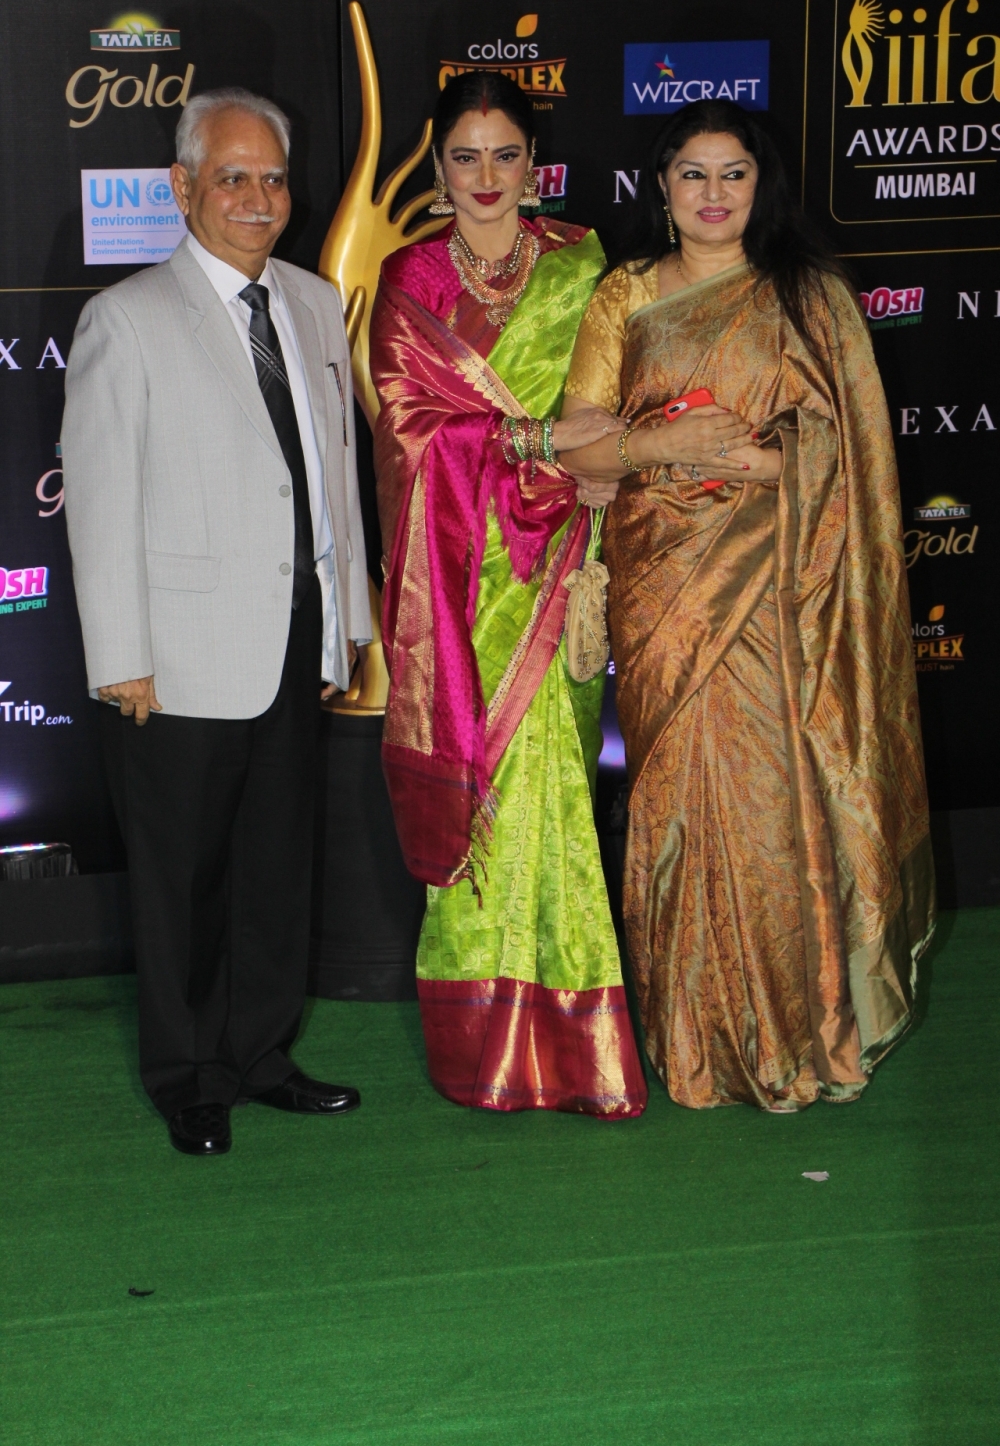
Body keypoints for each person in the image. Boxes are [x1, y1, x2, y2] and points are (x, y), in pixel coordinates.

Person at [562, 100, 934, 1111]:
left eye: (733, 174)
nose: (714, 194)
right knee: (676, 797)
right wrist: (663, 451)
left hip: (779, 586)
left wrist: (765, 463)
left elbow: (854, 459)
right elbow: (578, 441)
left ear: (761, 185)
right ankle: (689, 1037)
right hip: (660, 582)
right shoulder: (624, 296)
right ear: (662, 185)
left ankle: (797, 1029)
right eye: (693, 173)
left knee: (775, 800)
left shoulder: (809, 298)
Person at [61, 88, 372, 1155]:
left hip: (293, 643)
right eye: (231, 177)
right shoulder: (126, 318)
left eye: (272, 177)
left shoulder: (315, 305)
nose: (255, 196)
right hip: (176, 660)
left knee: (277, 869)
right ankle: (188, 1074)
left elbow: (334, 481)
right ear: (183, 188)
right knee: (182, 878)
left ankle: (260, 1055)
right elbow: (98, 502)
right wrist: (123, 661)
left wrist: (346, 624)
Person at [368, 72, 646, 1118]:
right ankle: (484, 1051)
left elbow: (621, 406)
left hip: (563, 567)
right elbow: (406, 438)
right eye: (464, 157)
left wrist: (595, 467)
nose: (486, 178)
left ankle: (579, 1053)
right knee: (482, 802)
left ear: (537, 165)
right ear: (437, 171)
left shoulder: (585, 268)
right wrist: (533, 440)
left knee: (561, 796)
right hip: (459, 582)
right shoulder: (409, 279)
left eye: (505, 155)